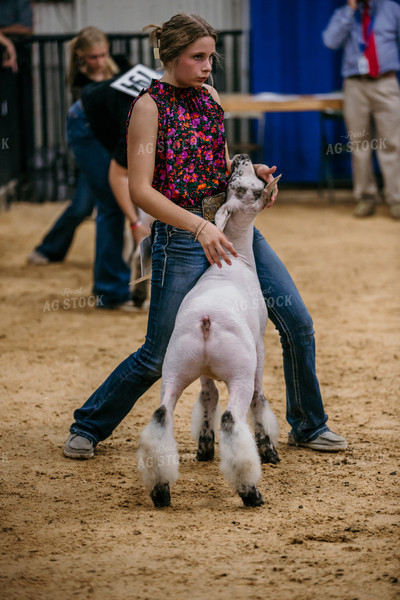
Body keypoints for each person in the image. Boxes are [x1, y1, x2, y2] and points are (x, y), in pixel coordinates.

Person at [64, 13, 347, 459]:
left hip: (231, 227)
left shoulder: (210, 97)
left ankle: (309, 425)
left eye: (211, 57)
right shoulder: (147, 107)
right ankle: (88, 425)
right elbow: (140, 189)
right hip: (181, 236)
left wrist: (251, 174)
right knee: (157, 355)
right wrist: (196, 226)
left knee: (297, 322)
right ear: (171, 56)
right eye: (198, 57)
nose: (207, 67)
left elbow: (217, 161)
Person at [28, 27, 120, 266]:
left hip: (114, 142)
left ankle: (49, 249)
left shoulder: (119, 66)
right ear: (81, 55)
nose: (100, 61)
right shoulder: (79, 80)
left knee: (89, 206)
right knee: (87, 207)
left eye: (103, 54)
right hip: (95, 147)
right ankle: (48, 249)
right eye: (93, 57)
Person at [323, 0, 400, 219]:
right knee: (359, 144)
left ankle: (396, 199)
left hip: (386, 82)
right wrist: (350, 11)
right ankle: (366, 197)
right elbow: (330, 40)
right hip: (355, 85)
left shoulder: (392, 9)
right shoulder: (344, 13)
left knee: (393, 143)